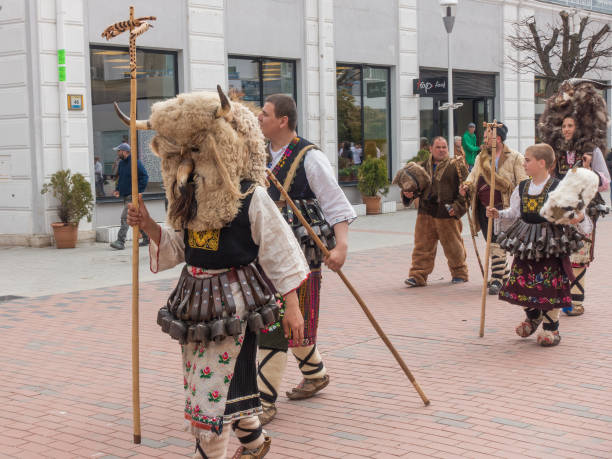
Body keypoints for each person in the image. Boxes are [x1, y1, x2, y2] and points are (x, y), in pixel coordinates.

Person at [127, 88, 310, 458]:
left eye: (196, 151)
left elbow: (280, 253)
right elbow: (178, 248)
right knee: (217, 390)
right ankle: (256, 446)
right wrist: (148, 225)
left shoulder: (251, 196)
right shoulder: (187, 197)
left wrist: (292, 307)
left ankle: (211, 451)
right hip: (194, 305)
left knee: (213, 402)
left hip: (235, 307)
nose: (189, 162)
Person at [256, 94, 356, 425]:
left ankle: (264, 400)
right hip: (264, 251)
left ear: (282, 120)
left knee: (278, 321)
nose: (259, 117)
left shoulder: (310, 158)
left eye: (265, 114)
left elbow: (336, 204)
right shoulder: (257, 154)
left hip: (299, 255)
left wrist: (340, 247)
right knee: (279, 318)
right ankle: (315, 373)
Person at [486, 144, 592, 347]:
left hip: (550, 244)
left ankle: (551, 329)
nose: (524, 163)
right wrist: (498, 214)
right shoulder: (522, 187)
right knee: (521, 282)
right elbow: (514, 213)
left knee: (549, 286)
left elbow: (576, 213)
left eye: (528, 160)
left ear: (542, 163)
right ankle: (533, 317)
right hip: (526, 243)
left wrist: (576, 218)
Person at [538, 80, 611, 317]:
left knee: (579, 254)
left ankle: (575, 300)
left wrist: (590, 172)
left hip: (585, 210)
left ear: (579, 127)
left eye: (571, 125)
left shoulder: (593, 151)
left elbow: (605, 182)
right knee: (560, 253)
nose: (567, 129)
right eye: (564, 125)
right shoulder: (555, 151)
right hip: (560, 209)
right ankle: (561, 296)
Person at [460, 123, 527, 294]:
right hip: (483, 207)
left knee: (497, 242)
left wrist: (515, 199)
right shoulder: (480, 158)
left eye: (486, 136)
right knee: (492, 242)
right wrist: (466, 185)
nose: (483, 139)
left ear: (497, 139)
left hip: (504, 208)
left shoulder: (515, 157)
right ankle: (505, 276)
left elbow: (523, 183)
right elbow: (473, 175)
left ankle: (496, 279)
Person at [403, 136, 469, 287]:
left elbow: (467, 189)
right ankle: (418, 275)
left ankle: (460, 273)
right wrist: (408, 194)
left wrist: (457, 208)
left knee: (453, 247)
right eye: (438, 147)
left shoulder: (457, 166)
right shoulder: (421, 167)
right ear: (430, 149)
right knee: (422, 247)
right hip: (425, 213)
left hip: (447, 213)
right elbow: (414, 188)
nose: (441, 150)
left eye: (444, 147)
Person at [109, 143, 149, 250]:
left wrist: (138, 191)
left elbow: (145, 177)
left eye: (119, 151)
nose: (117, 153)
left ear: (125, 152)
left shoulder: (135, 162)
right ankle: (147, 238)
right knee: (136, 219)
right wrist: (118, 189)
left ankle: (120, 241)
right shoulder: (121, 164)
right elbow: (121, 178)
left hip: (133, 196)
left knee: (125, 217)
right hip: (125, 195)